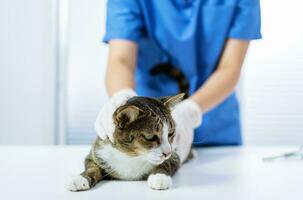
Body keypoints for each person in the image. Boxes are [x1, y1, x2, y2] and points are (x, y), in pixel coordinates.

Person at [95, 0, 261, 161]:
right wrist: (123, 97)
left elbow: (230, 68)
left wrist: (190, 112)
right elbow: (120, 60)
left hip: (215, 130)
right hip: (146, 137)